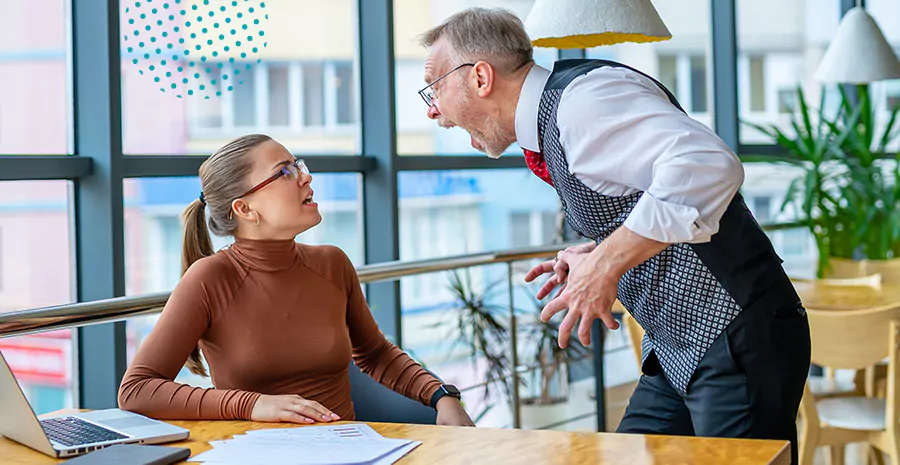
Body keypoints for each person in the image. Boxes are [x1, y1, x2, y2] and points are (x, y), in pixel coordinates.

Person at [418, 7, 810, 463]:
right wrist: (597, 250)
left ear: (480, 78)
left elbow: (710, 166)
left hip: (737, 338)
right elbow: (648, 198)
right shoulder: (556, 116)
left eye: (434, 87)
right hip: (677, 349)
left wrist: (607, 263)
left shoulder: (584, 102)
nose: (432, 110)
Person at [118, 134, 474, 427]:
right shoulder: (210, 278)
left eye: (298, 165)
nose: (306, 177)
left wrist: (442, 396)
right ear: (244, 209)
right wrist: (251, 405)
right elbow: (136, 390)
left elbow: (376, 354)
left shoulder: (332, 263)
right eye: (285, 172)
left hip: (351, 452)